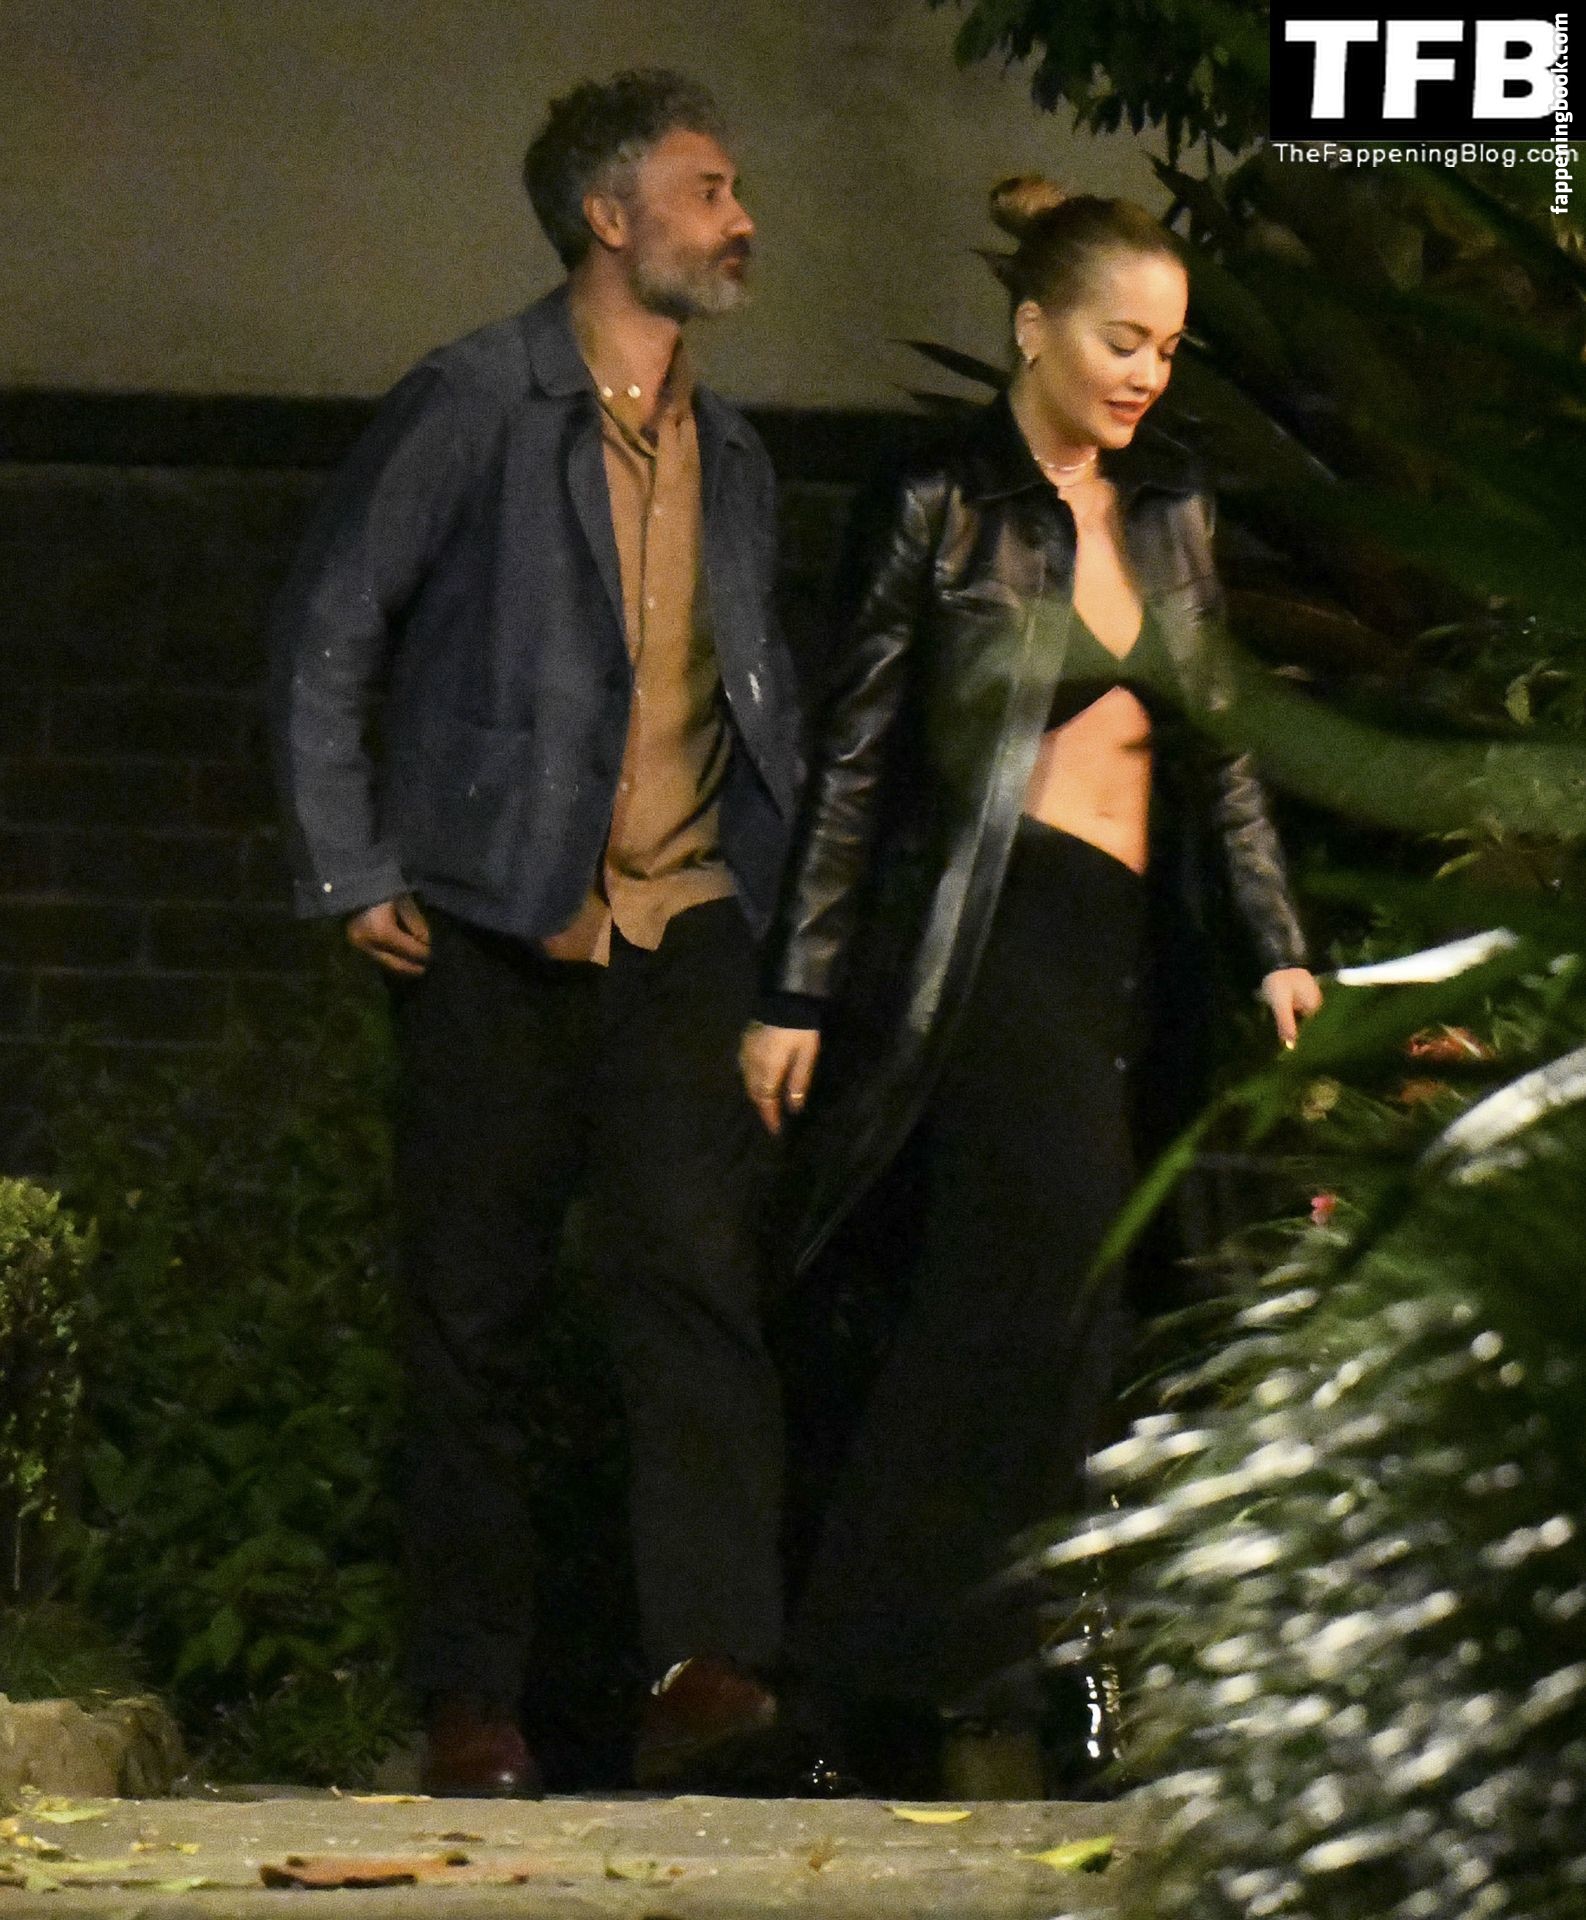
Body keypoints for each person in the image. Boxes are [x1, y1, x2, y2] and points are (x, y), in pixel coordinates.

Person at [739, 176, 1323, 1785]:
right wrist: (795, 989)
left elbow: (1223, 754)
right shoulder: (939, 495)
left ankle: (984, 1678)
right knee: (1035, 1265)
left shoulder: (1170, 504)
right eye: (1119, 339)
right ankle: (875, 1668)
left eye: (1166, 349)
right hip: (984, 935)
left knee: (1083, 1308)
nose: (1144, 373)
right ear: (1031, 327)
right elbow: (852, 757)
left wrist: (1274, 945)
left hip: (1134, 948)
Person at [269, 70, 809, 1797]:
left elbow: (758, 703)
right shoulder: (475, 402)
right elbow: (329, 630)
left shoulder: (734, 450)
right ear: (607, 215)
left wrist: (793, 954)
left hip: (684, 919)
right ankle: (473, 1697)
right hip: (494, 920)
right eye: (707, 190)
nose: (739, 220)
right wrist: (354, 865)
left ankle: (705, 1670)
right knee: (473, 1317)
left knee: (693, 1290)